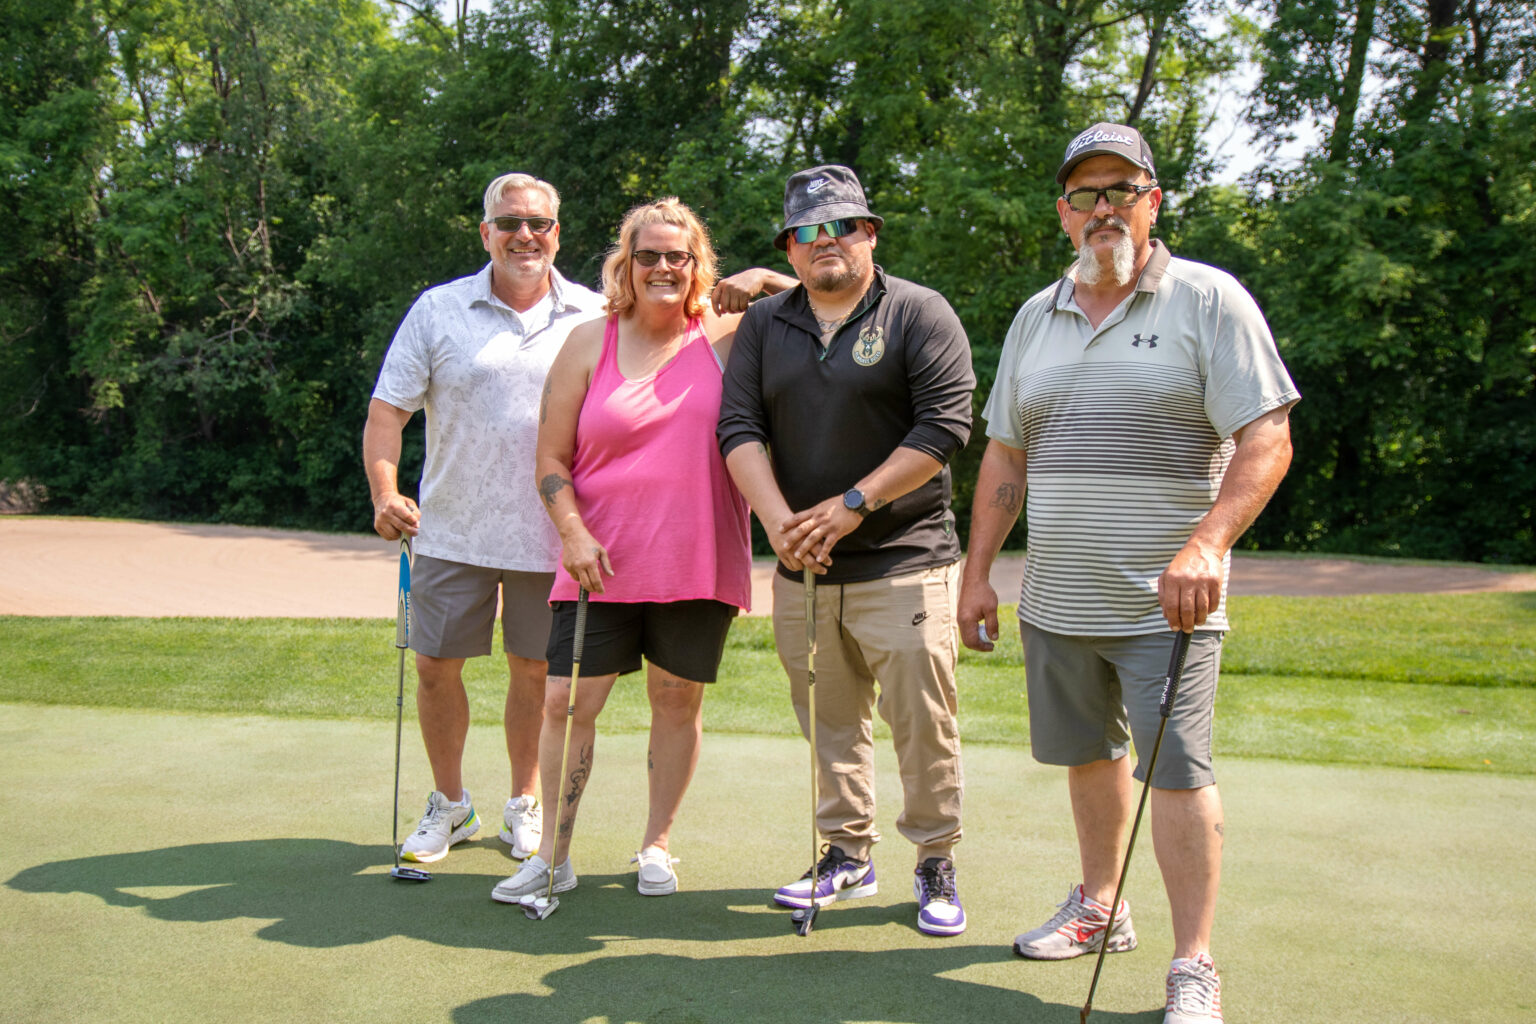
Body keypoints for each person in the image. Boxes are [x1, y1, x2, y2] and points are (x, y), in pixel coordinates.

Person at [958, 123, 1299, 1023]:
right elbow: (1005, 456)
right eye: (1086, 193)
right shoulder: (1035, 316)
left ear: (1153, 202)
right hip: (1058, 601)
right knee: (1088, 756)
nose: (1103, 207)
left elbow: (1267, 437)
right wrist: (976, 571)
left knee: (1176, 773)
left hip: (1167, 606)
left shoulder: (1208, 300)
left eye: (1122, 189)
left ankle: (1193, 965)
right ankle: (1100, 908)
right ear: (1063, 211)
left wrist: (1207, 545)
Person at [716, 165, 976, 936]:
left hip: (906, 559)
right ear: (789, 249)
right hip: (805, 567)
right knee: (828, 721)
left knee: (921, 723)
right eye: (807, 231)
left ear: (870, 234)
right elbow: (738, 428)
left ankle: (934, 859)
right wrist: (778, 523)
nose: (825, 241)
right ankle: (847, 854)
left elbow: (943, 429)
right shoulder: (767, 325)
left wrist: (851, 506)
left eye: (842, 226)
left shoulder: (919, 311)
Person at [490, 197, 773, 904]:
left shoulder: (728, 334)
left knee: (675, 701)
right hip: (597, 562)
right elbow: (550, 459)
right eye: (648, 256)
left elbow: (838, 298)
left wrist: (766, 277)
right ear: (627, 263)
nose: (663, 268)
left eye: (678, 256)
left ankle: (656, 844)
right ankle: (553, 856)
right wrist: (572, 532)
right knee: (565, 702)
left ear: (698, 264)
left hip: (696, 556)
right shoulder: (589, 341)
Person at [364, 172, 603, 866]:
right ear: (485, 233)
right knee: (435, 667)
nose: (524, 235)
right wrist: (384, 493)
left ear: (557, 232)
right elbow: (387, 412)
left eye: (538, 223)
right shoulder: (439, 309)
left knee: (534, 674)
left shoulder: (594, 314)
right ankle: (450, 805)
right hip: (451, 529)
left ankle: (523, 802)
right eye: (508, 223)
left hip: (551, 535)